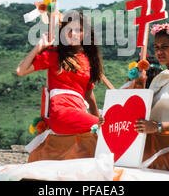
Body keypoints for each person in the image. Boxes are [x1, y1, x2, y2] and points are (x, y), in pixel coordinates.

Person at [16, 10, 104, 160]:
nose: (74, 34)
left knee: (109, 125)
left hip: (79, 111)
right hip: (62, 112)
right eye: (69, 29)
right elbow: (21, 70)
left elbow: (89, 94)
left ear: (86, 34)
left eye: (79, 30)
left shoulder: (86, 59)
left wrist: (98, 118)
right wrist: (39, 46)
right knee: (108, 127)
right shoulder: (54, 54)